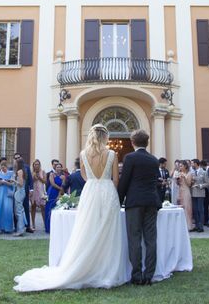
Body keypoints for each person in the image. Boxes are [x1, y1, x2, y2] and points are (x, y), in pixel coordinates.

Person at [14, 124, 126, 291]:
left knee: (88, 228)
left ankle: (87, 265)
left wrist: (94, 182)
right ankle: (106, 269)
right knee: (109, 229)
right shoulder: (111, 154)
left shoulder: (83, 154)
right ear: (105, 136)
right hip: (107, 190)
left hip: (90, 190)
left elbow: (84, 175)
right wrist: (112, 191)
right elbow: (116, 179)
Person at [118, 129, 161, 286]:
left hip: (135, 202)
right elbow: (155, 181)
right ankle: (149, 274)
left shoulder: (130, 158)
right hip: (151, 201)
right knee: (151, 239)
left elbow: (124, 181)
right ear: (147, 142)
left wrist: (119, 199)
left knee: (134, 238)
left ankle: (137, 275)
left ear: (132, 142)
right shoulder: (154, 160)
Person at [13, 152, 34, 233]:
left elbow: (30, 180)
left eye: (18, 157)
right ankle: (17, 226)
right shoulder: (13, 168)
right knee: (17, 209)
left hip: (22, 190)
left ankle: (27, 226)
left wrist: (31, 189)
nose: (17, 159)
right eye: (16, 158)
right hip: (17, 190)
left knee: (23, 208)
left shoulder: (26, 168)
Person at [0, 160, 15, 233]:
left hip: (8, 192)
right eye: (2, 167)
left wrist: (5, 182)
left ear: (7, 166)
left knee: (7, 209)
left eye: (4, 167)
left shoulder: (11, 173)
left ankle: (8, 228)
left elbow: (12, 184)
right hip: (0, 192)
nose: (3, 169)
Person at [44, 162, 65, 233]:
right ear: (55, 168)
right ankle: (49, 228)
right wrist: (60, 188)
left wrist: (59, 194)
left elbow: (63, 185)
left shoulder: (63, 176)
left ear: (61, 168)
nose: (59, 168)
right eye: (57, 167)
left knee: (57, 208)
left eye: (60, 167)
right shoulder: (52, 174)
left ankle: (57, 228)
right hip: (52, 192)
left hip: (59, 193)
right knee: (50, 208)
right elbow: (52, 183)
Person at [174, 160, 193, 231]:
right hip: (180, 191)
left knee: (187, 209)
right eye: (179, 166)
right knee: (181, 208)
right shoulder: (179, 173)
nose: (180, 167)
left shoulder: (189, 174)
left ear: (185, 166)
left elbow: (189, 184)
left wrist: (184, 177)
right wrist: (177, 180)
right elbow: (178, 184)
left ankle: (189, 226)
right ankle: (182, 226)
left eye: (181, 166)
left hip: (186, 192)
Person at [190, 159, 209, 232]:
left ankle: (201, 226)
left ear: (196, 164)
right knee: (195, 210)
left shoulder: (204, 172)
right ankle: (197, 225)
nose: (191, 165)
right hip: (193, 193)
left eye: (192, 163)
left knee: (200, 210)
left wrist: (200, 185)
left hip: (200, 193)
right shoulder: (192, 173)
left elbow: (207, 184)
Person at [13, 158, 27, 237]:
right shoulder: (23, 171)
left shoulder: (19, 171)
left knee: (18, 212)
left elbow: (20, 184)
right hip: (21, 191)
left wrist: (14, 181)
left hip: (19, 192)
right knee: (20, 211)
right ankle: (21, 228)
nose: (14, 164)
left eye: (16, 162)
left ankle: (20, 230)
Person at [30, 159, 46, 232]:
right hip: (33, 191)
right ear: (33, 165)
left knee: (43, 207)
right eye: (35, 164)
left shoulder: (43, 172)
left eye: (38, 164)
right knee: (33, 207)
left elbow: (45, 181)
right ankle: (33, 224)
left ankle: (45, 223)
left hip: (41, 191)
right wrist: (33, 176)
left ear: (40, 165)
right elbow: (30, 181)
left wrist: (39, 177)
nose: (36, 166)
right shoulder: (31, 172)